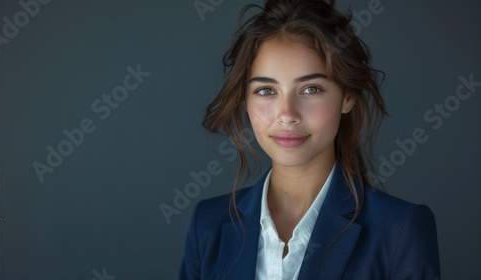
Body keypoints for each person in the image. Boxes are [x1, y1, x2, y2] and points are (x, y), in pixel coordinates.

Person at [180, 0, 440, 279]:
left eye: (311, 89)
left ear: (347, 96)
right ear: (245, 99)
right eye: (266, 91)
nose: (287, 114)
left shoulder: (400, 230)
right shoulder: (208, 224)